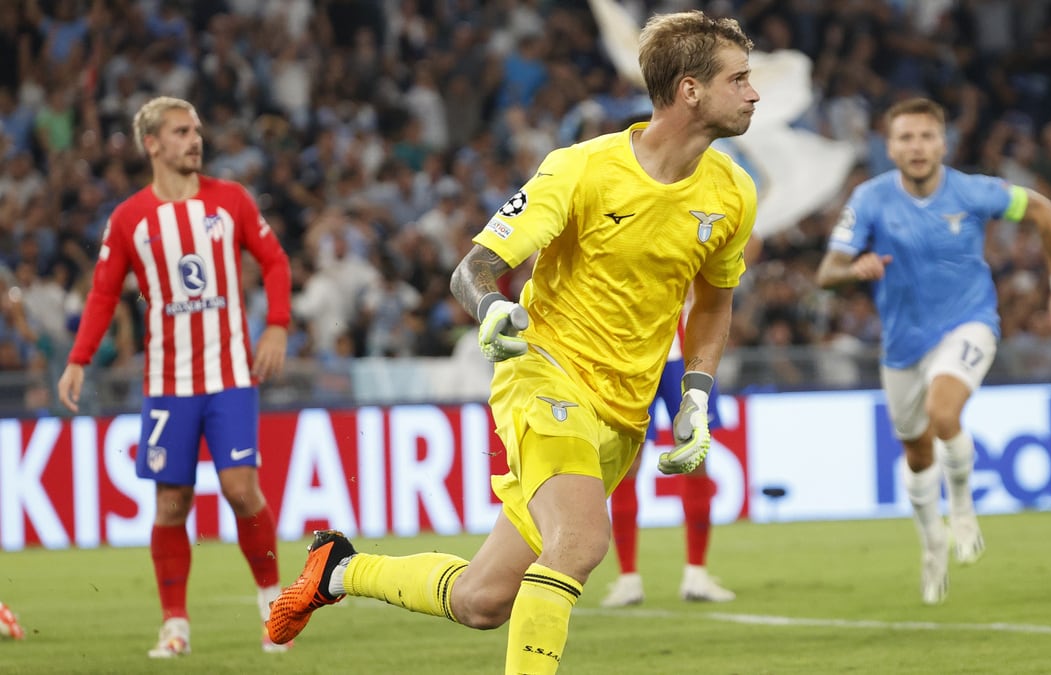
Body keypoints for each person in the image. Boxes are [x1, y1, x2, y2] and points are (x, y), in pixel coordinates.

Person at [267, 10, 759, 673]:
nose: (754, 93)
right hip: (545, 380)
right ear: (691, 90)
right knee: (582, 541)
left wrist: (695, 394)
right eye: (740, 78)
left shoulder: (733, 192)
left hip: (622, 415)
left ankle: (338, 570)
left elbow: (714, 301)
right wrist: (492, 308)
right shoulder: (582, 170)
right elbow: (472, 270)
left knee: (482, 598)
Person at [816, 97, 1051, 605]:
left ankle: (962, 504)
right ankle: (932, 540)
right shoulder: (870, 199)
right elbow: (826, 271)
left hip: (970, 323)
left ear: (943, 142)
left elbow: (1044, 210)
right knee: (916, 455)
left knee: (945, 412)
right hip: (902, 345)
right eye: (905, 138)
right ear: (889, 147)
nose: (917, 147)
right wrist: (855, 269)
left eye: (926, 136)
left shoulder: (973, 191)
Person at [56, 96, 293, 657]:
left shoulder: (230, 200)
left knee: (240, 490)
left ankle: (274, 606)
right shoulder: (130, 218)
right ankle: (175, 626)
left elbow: (276, 260)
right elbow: (103, 292)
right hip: (168, 384)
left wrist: (277, 325)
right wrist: (78, 358)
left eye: (197, 129)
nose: (195, 139)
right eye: (182, 131)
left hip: (230, 374)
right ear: (152, 144)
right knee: (171, 503)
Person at [601, 316, 735, 607]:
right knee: (633, 460)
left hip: (661, 349)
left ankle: (648, 578)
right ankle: (638, 578)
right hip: (644, 349)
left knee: (686, 454)